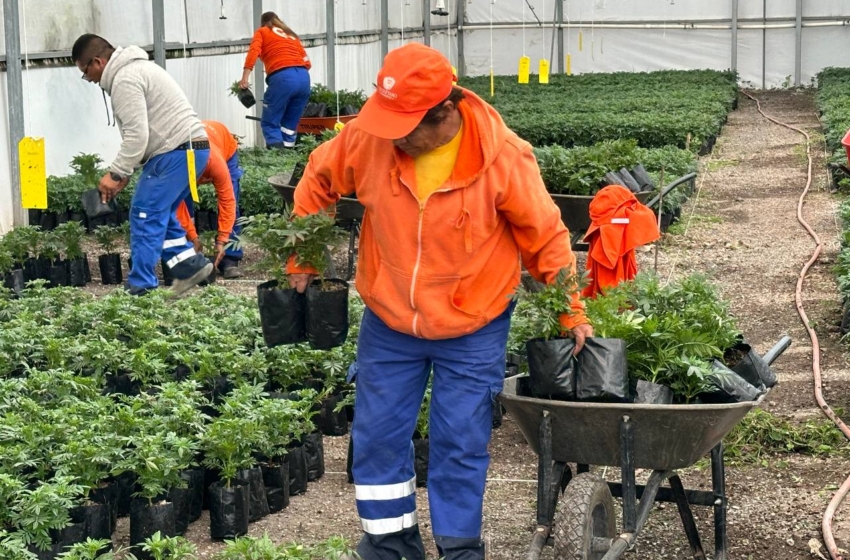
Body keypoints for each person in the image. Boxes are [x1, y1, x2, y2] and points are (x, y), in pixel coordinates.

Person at [287, 43, 593, 560]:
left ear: (446, 112)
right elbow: (317, 177)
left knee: (459, 442)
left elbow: (546, 237)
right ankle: (389, 544)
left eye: (407, 128)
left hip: (473, 325)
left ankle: (459, 547)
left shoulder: (503, 158)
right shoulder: (370, 137)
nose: (395, 138)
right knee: (378, 437)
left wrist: (571, 310)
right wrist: (305, 257)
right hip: (389, 321)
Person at [72, 33, 213, 296]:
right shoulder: (138, 69)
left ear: (98, 62)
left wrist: (116, 173)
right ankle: (190, 266)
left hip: (175, 152)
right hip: (190, 150)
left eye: (85, 71)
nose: (88, 78)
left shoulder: (125, 79)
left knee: (145, 213)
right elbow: (146, 133)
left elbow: (138, 136)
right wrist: (128, 171)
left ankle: (141, 286)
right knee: (162, 212)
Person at [174, 120, 244, 278]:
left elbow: (227, 201)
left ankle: (230, 258)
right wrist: (192, 236)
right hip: (190, 154)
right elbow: (177, 204)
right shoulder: (178, 165)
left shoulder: (217, 164)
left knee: (232, 202)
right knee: (182, 199)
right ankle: (188, 251)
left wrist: (222, 240)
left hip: (223, 145)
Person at [239, 12, 312, 149]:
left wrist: (245, 77)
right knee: (289, 125)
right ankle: (289, 159)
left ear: (263, 23)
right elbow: (307, 62)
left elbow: (254, 52)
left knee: (269, 122)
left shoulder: (262, 32)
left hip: (282, 77)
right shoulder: (291, 34)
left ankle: (277, 159)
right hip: (303, 78)